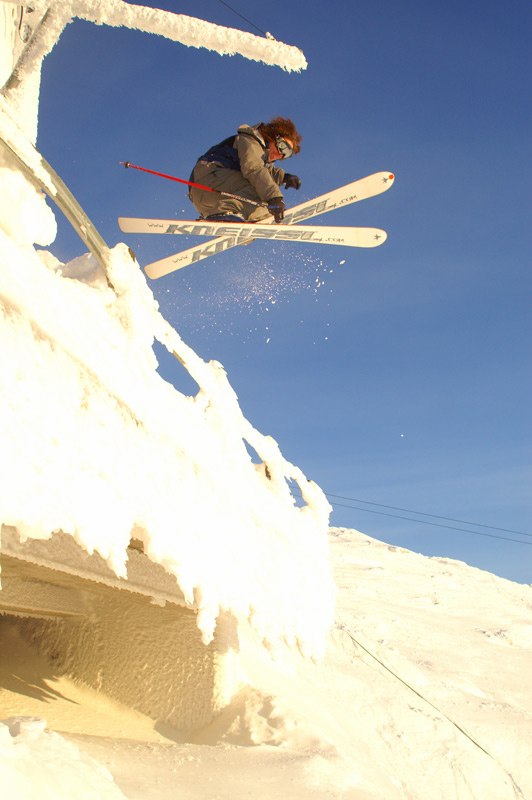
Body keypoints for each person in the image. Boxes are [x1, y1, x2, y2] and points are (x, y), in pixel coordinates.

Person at [189, 117, 302, 224]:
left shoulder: (263, 158)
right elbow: (254, 169)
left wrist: (284, 177)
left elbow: (266, 173)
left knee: (264, 206)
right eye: (283, 147)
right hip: (206, 181)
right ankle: (225, 213)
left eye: (287, 154)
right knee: (261, 190)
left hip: (208, 198)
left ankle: (234, 218)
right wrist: (275, 198)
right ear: (273, 137)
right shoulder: (250, 141)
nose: (281, 154)